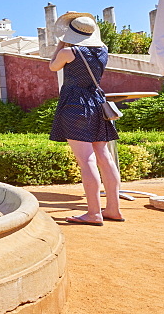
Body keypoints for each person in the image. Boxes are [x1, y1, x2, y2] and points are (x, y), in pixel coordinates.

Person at [48, 12, 123, 226]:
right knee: (104, 157)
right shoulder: (103, 51)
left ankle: (93, 213)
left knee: (86, 159)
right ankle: (113, 209)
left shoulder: (69, 52)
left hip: (75, 104)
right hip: (97, 103)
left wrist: (61, 43)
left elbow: (53, 65)